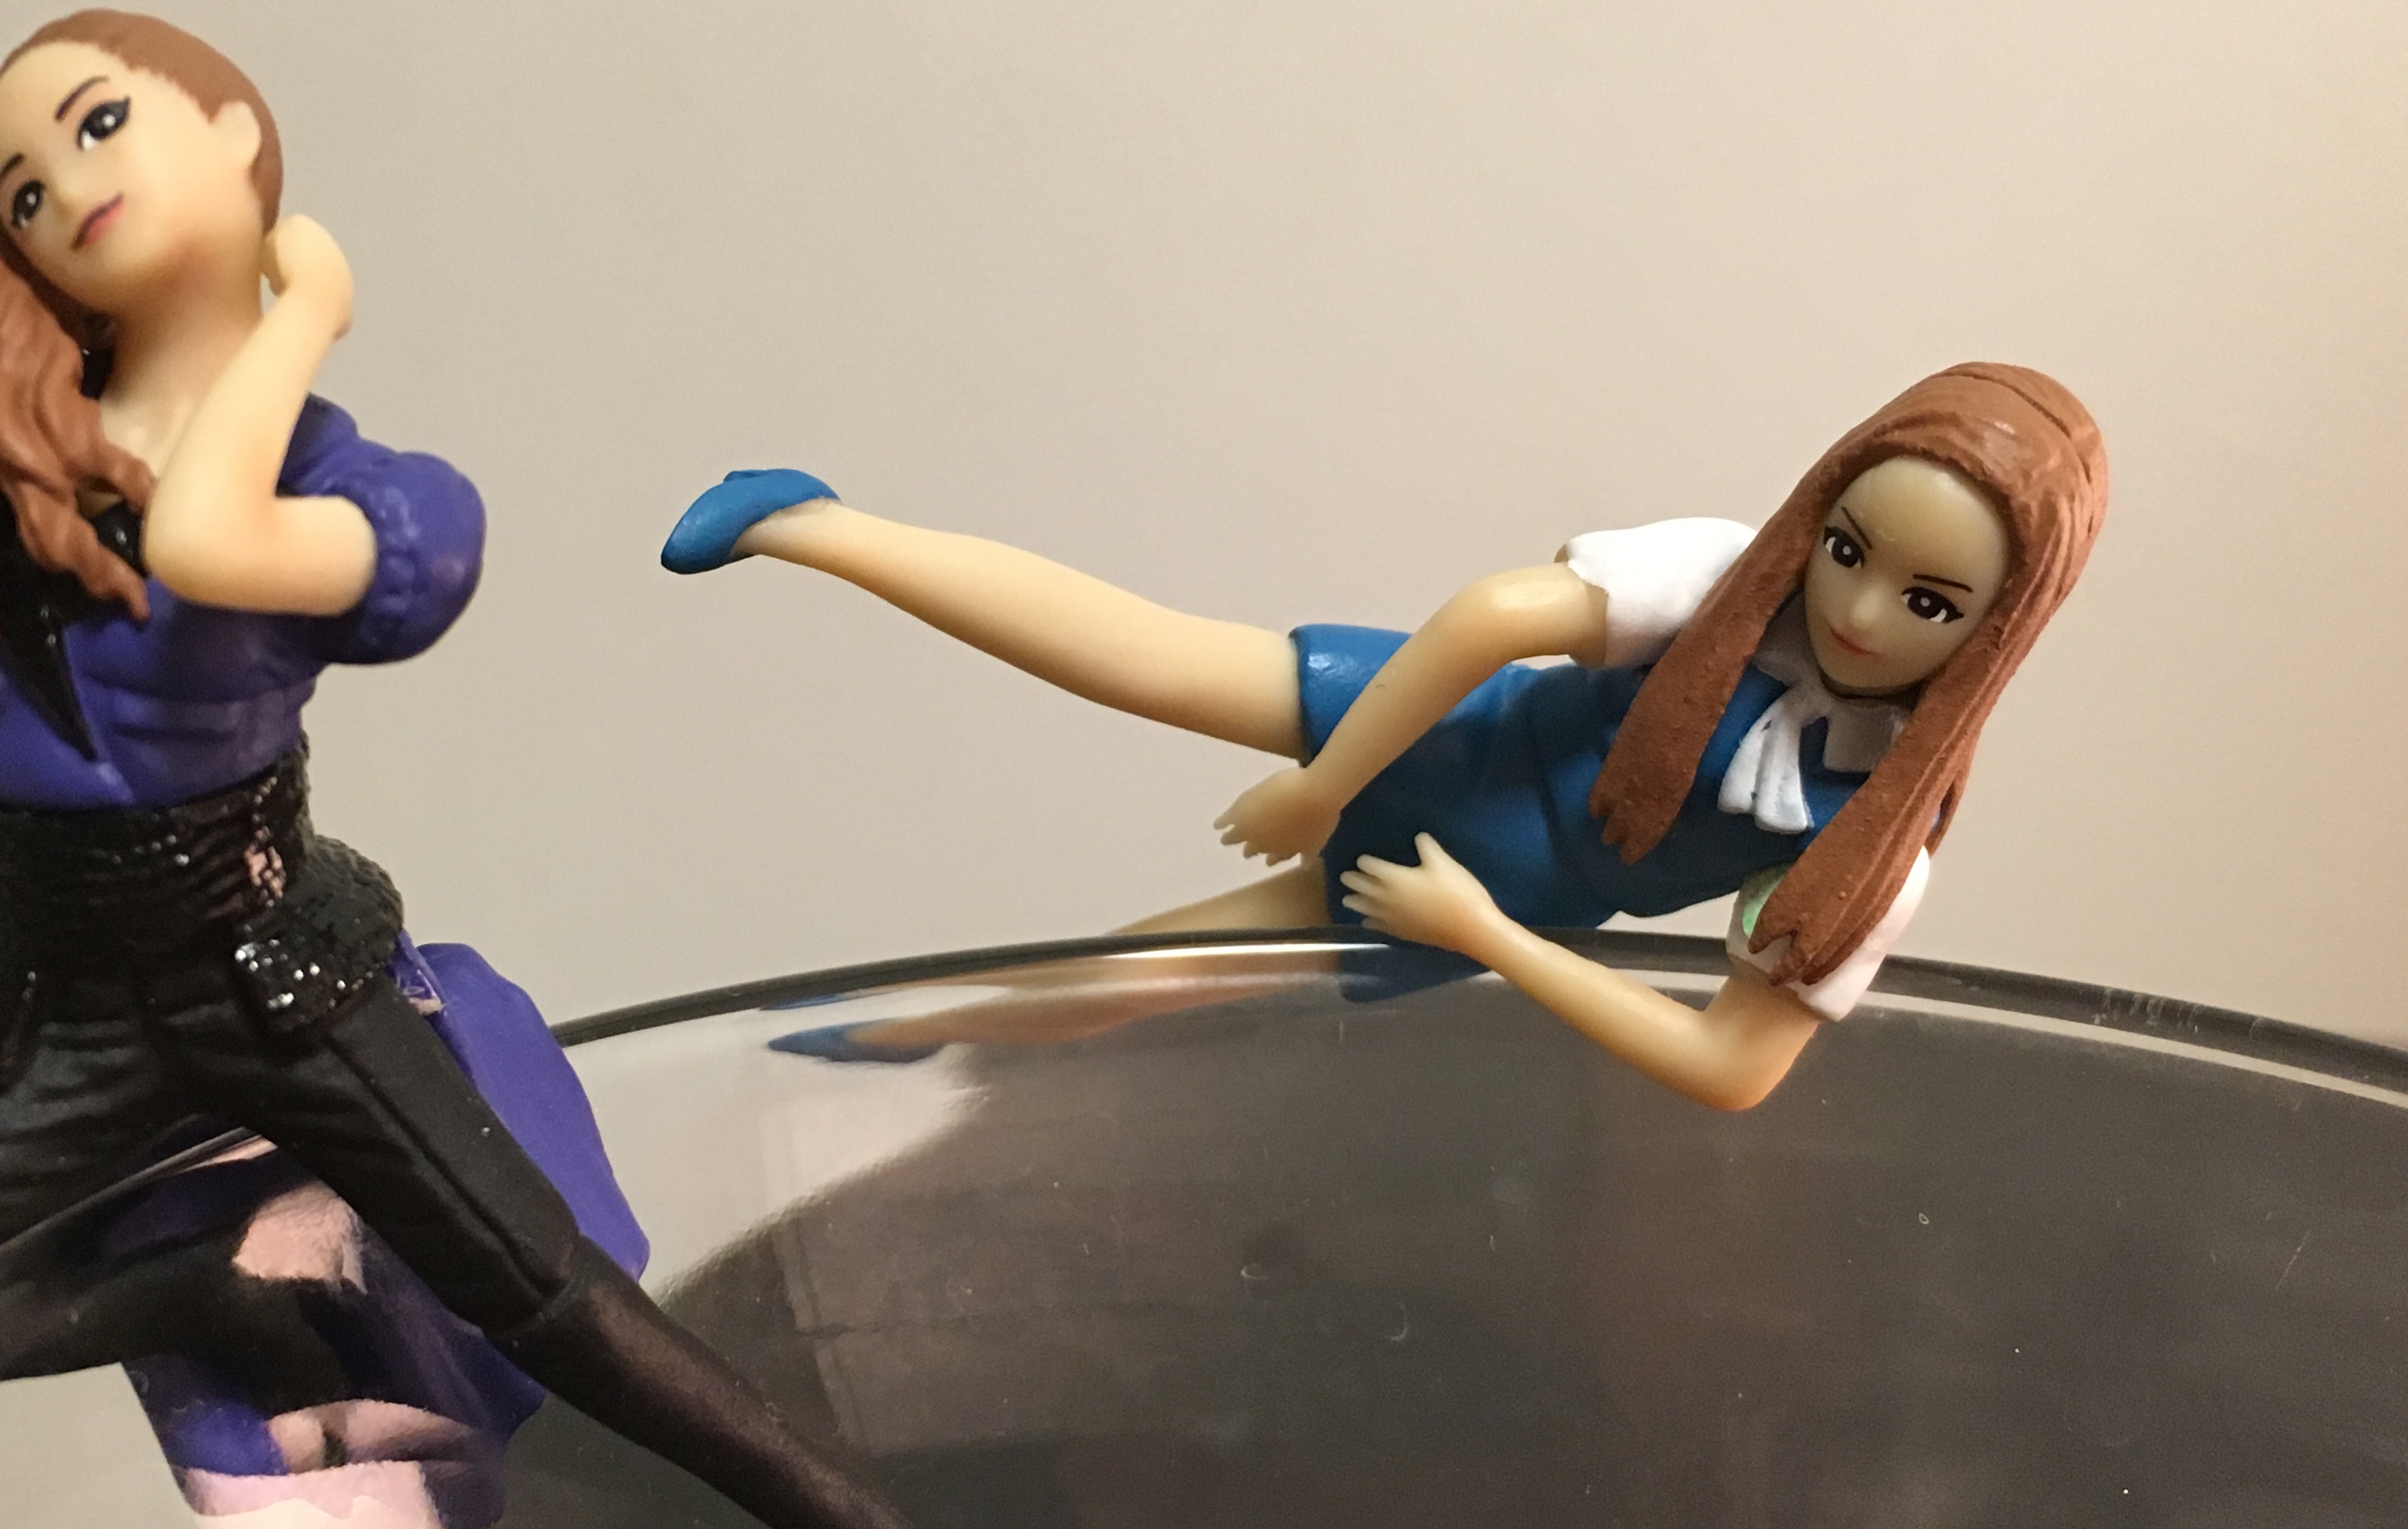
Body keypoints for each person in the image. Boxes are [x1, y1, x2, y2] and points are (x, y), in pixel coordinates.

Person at [0, 9, 930, 1529]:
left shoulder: (381, 492)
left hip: (272, 971)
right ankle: (201, 1290)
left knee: (536, 1288)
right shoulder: (3, 431)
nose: (62, 185)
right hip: (57, 995)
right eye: (27, 183)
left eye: (103, 124)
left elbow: (210, 537)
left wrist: (299, 320)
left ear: (235, 133)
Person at [658, 364, 2106, 1109]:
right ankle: (809, 523)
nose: (1859, 611)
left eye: (1929, 602)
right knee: (1141, 654)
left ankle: (898, 1033)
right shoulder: (1727, 580)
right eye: (1848, 548)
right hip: (1443, 725)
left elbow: (1731, 1067)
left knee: (1132, 980)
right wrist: (1325, 783)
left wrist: (1489, 937)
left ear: (2000, 626)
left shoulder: (1874, 835)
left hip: (1474, 891)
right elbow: (1489, 617)